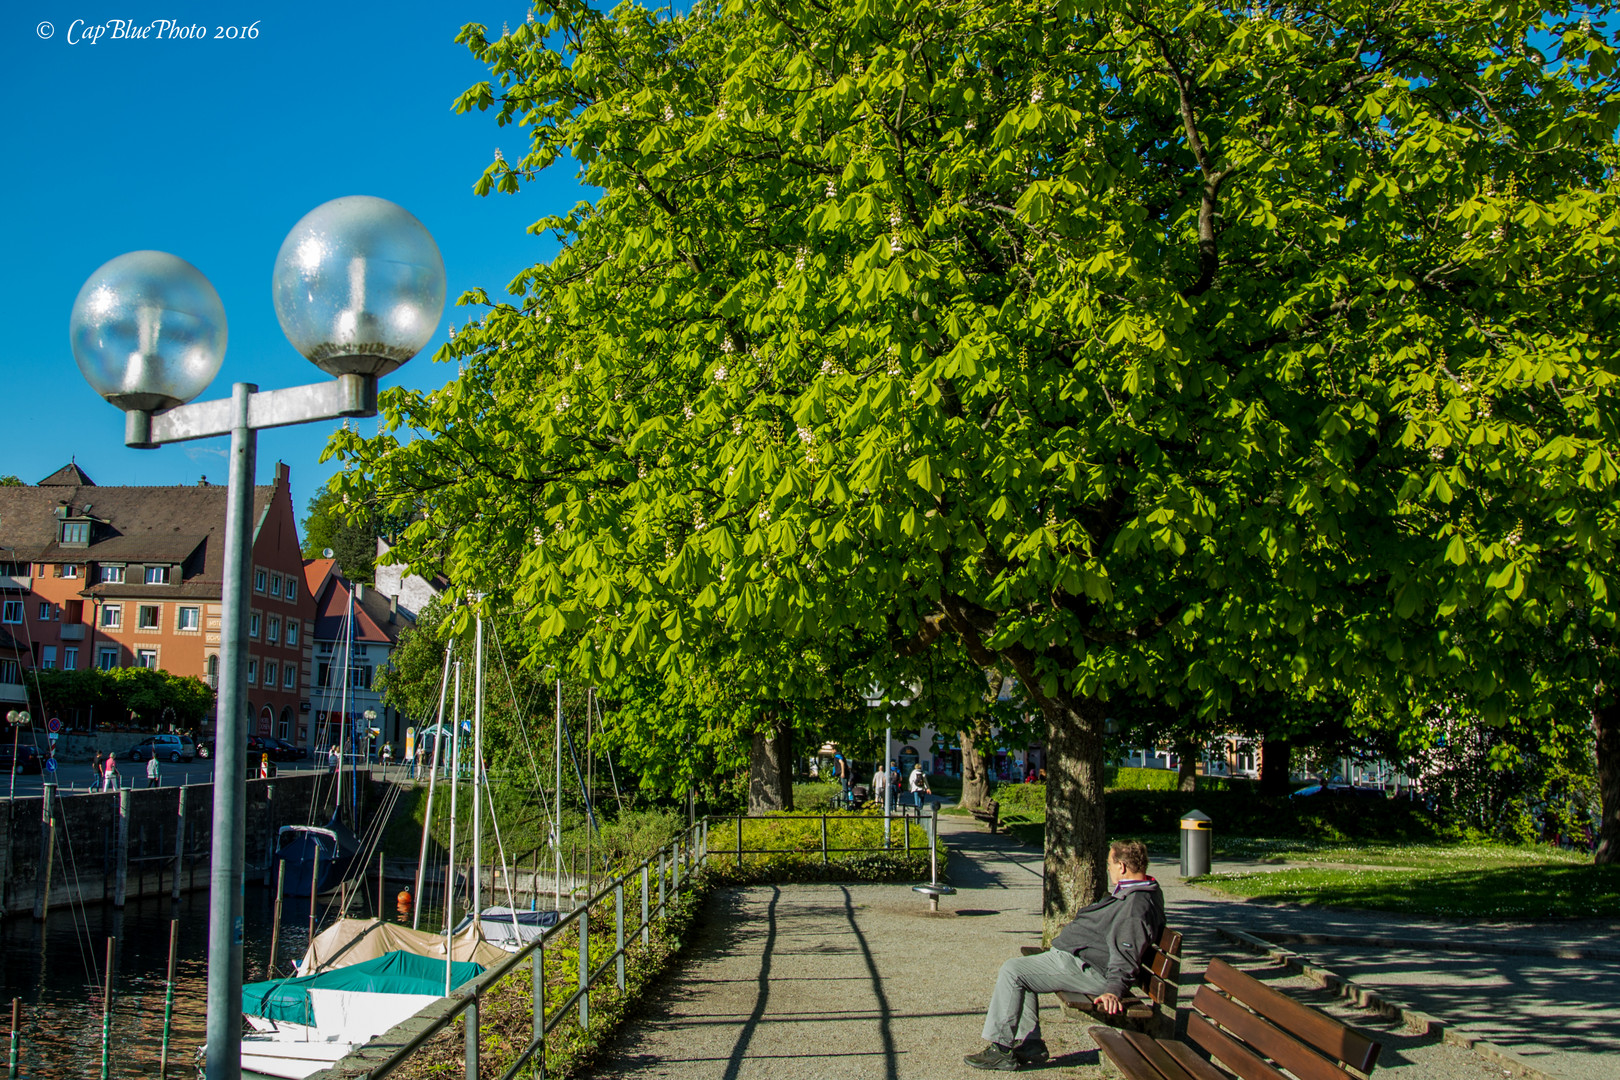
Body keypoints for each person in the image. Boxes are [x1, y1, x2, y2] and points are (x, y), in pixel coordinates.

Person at [965, 839, 1164, 1071]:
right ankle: (1030, 1044)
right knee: (1023, 969)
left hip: (1092, 970)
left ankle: (1000, 1049)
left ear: (1121, 866)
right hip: (1084, 959)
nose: (1108, 868)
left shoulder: (1135, 907)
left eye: (1109, 863)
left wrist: (1113, 990)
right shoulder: (1138, 892)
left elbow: (1126, 951)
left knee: (1013, 971)